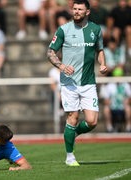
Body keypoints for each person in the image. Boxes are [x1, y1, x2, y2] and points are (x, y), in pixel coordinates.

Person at [47, 0, 107, 166]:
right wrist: (61, 65)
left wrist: (102, 63)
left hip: (88, 82)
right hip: (69, 83)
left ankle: (72, 133)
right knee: (72, 117)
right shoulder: (63, 30)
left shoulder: (95, 29)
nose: (77, 12)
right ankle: (70, 156)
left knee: (92, 121)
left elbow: (100, 50)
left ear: (87, 12)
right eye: (75, 9)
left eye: (80, 9)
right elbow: (50, 52)